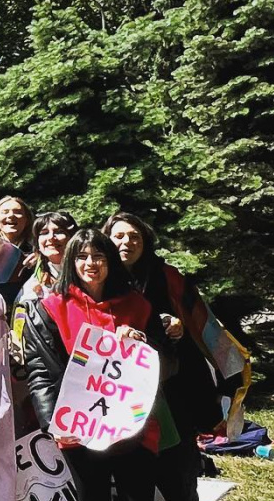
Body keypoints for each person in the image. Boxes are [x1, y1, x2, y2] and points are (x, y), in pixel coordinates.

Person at [105, 212, 251, 501]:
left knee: (178, 469)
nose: (127, 242)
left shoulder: (167, 276)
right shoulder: (100, 276)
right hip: (119, 390)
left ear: (146, 242)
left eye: (135, 237)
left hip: (173, 387)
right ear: (107, 240)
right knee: (133, 475)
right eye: (119, 236)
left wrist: (180, 326)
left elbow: (201, 322)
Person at [20, 229, 170, 500]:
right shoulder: (49, 309)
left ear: (111, 261)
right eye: (82, 257)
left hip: (134, 429)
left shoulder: (138, 305)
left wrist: (140, 342)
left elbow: (166, 362)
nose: (91, 263)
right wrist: (53, 423)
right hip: (79, 432)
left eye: (99, 256)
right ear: (70, 263)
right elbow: (40, 372)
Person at [18, 212, 78, 302]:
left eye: (59, 232)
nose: (51, 237)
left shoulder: (87, 272)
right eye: (44, 233)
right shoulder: (33, 282)